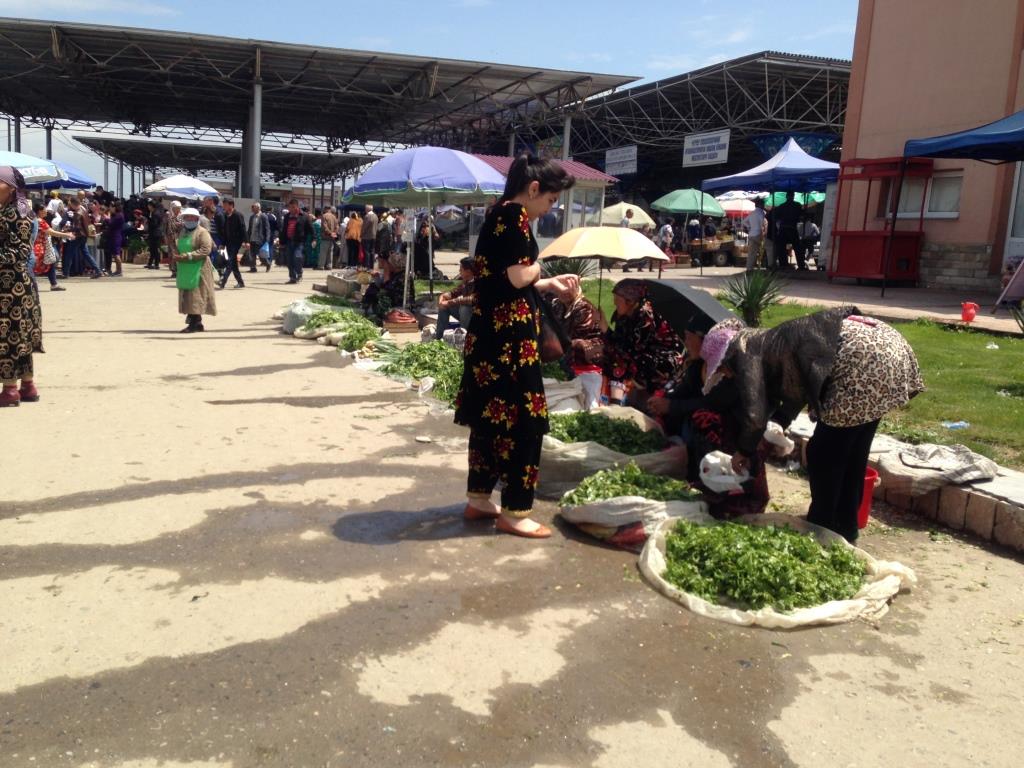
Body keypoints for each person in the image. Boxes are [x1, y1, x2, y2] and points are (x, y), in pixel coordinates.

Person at [711, 307, 924, 542]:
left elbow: (754, 414)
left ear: (726, 356)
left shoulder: (745, 353)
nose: (726, 375)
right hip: (887, 348)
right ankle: (846, 527)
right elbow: (801, 382)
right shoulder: (770, 341)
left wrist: (744, 450)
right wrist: (781, 421)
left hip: (861, 361)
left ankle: (821, 527)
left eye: (720, 369)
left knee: (823, 454)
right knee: (853, 452)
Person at [453, 153, 577, 539]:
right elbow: (518, 273)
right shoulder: (515, 216)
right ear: (534, 189)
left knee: (490, 419)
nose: (549, 209)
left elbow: (502, 282)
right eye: (551, 201)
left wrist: (546, 284)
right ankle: (515, 511)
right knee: (524, 423)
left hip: (490, 339)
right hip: (510, 345)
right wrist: (545, 267)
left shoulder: (497, 214)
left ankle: (478, 500)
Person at [599, 279, 685, 410]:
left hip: (660, 360)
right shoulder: (624, 314)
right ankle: (614, 398)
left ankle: (615, 404)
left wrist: (605, 328)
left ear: (630, 300)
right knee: (609, 355)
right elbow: (618, 339)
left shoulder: (645, 316)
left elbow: (628, 349)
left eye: (617, 299)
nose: (614, 302)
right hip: (642, 355)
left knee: (618, 360)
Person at [0, 167, 43, 406]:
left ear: (11, 186)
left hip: (10, 285)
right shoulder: (14, 208)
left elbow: (18, 251)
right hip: (15, 282)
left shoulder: (16, 211)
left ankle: (9, 389)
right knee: (21, 335)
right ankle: (27, 386)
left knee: (8, 334)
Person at [548, 282, 605, 409]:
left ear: (577, 289)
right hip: (566, 356)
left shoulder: (584, 308)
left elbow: (573, 337)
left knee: (587, 403)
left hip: (584, 359)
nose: (565, 293)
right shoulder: (557, 305)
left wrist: (554, 343)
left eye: (569, 290)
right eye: (562, 289)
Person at [174, 208, 217, 333]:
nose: (189, 220)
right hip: (185, 268)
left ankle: (193, 323)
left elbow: (205, 249)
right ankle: (197, 322)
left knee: (196, 295)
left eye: (191, 217)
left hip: (199, 268)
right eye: (186, 217)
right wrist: (176, 253)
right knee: (187, 295)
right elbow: (179, 246)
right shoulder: (183, 232)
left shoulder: (202, 233)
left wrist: (188, 256)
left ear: (197, 219)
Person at [434, 256, 476, 339]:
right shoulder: (465, 282)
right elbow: (453, 293)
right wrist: (442, 298)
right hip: (465, 315)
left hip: (475, 316)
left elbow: (471, 299)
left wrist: (449, 302)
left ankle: (464, 338)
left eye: (461, 269)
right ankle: (439, 338)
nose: (459, 271)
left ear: (468, 271)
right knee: (444, 307)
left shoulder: (479, 281)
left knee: (464, 308)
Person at [31, 201, 70, 291]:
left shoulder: (33, 219)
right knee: (35, 266)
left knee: (49, 262)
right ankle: (33, 285)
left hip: (38, 246)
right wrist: (67, 235)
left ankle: (53, 284)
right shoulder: (40, 221)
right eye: (44, 209)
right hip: (39, 247)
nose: (46, 211)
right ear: (40, 211)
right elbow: (52, 232)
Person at [64, 197, 105, 278]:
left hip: (79, 235)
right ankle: (98, 271)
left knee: (69, 254)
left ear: (72, 204)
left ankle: (65, 273)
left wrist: (68, 229)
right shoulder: (84, 210)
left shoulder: (78, 213)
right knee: (86, 254)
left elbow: (77, 226)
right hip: (84, 235)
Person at [361, 251, 407, 319]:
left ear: (395, 265)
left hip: (397, 303)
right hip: (392, 298)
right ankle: (365, 308)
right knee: (372, 288)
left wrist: (386, 274)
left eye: (390, 263)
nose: (389, 265)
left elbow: (387, 291)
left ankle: (373, 312)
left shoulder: (402, 276)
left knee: (373, 291)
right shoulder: (396, 274)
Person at [280, 198, 312, 284]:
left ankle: (299, 273)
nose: (291, 209)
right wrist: (282, 242)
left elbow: (311, 229)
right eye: (290, 207)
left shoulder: (304, 216)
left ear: (297, 207)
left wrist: (314, 239)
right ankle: (292, 277)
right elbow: (284, 230)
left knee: (297, 257)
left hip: (299, 241)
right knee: (290, 260)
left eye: (293, 207)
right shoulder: (287, 217)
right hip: (289, 241)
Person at [218, 197, 246, 289]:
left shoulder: (238, 215)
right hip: (229, 243)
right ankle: (240, 282)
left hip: (236, 242)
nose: (223, 207)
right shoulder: (226, 215)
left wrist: (246, 241)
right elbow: (225, 231)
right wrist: (223, 243)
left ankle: (223, 281)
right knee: (233, 263)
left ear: (231, 205)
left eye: (225, 205)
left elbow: (243, 229)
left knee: (230, 261)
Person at [772, 191, 803, 270]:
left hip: (784, 229)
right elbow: (801, 216)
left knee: (781, 247)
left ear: (786, 196)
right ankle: (801, 265)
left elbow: (775, 217)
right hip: (792, 228)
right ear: (793, 196)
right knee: (797, 248)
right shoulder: (797, 205)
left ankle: (783, 264)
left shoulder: (781, 206)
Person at [742, 198, 766, 271]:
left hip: (751, 234)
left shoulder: (752, 213)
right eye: (763, 204)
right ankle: (762, 265)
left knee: (751, 253)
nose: (764, 205)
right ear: (760, 205)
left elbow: (743, 222)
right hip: (758, 234)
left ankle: (749, 269)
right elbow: (763, 223)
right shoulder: (762, 212)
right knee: (764, 249)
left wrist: (749, 227)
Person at [246, 202, 271, 272]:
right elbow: (249, 229)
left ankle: (267, 263)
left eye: (254, 207)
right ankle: (253, 268)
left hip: (260, 239)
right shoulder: (252, 217)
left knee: (261, 255)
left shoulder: (263, 216)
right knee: (252, 254)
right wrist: (247, 239)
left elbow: (267, 228)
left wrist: (267, 239)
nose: (252, 209)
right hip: (252, 238)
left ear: (258, 208)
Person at [146, 199, 166, 270]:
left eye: (148, 205)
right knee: (152, 249)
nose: (148, 207)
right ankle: (150, 263)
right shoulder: (153, 212)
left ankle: (156, 264)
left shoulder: (155, 213)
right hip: (154, 233)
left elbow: (154, 224)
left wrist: (148, 221)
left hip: (156, 233)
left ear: (151, 206)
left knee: (155, 249)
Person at [107, 202, 125, 277]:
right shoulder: (116, 215)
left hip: (116, 236)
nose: (110, 209)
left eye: (111, 207)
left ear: (115, 207)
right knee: (114, 254)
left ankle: (119, 271)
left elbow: (111, 223)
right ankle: (117, 270)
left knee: (116, 254)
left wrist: (107, 217)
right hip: (113, 235)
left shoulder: (119, 216)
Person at [319, 205, 339, 270]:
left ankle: (321, 266)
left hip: (325, 236)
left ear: (325, 209)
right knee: (330, 252)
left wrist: (330, 233)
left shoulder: (324, 216)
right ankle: (329, 265)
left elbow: (324, 226)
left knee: (323, 252)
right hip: (332, 238)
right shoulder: (334, 217)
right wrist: (334, 233)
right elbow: (337, 227)